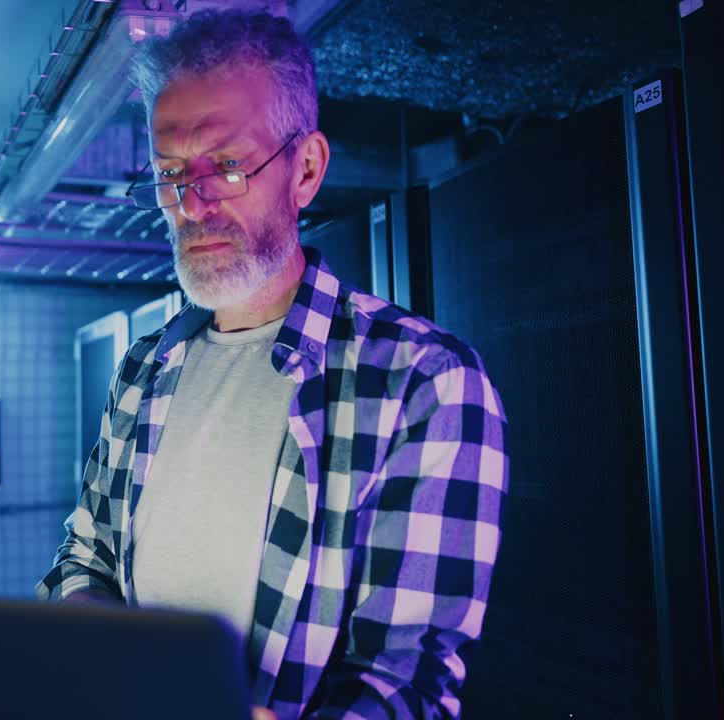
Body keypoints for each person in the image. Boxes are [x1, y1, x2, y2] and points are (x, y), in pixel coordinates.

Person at [36, 9, 508, 720]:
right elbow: (84, 558)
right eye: (170, 174)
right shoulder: (142, 368)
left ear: (306, 169)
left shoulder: (423, 382)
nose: (191, 205)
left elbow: (406, 685)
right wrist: (116, 661)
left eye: (226, 166)